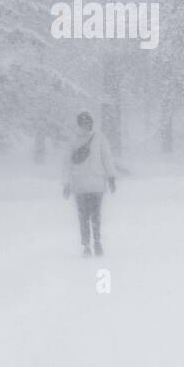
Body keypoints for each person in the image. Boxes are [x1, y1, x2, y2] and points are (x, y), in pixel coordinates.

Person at [62, 110, 117, 257]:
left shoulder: (95, 138)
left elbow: (107, 158)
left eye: (90, 122)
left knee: (90, 216)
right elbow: (67, 163)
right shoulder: (87, 139)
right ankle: (89, 244)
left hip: (92, 185)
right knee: (88, 216)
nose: (88, 125)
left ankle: (94, 243)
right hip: (85, 185)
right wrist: (66, 183)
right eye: (86, 122)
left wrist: (111, 176)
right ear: (80, 124)